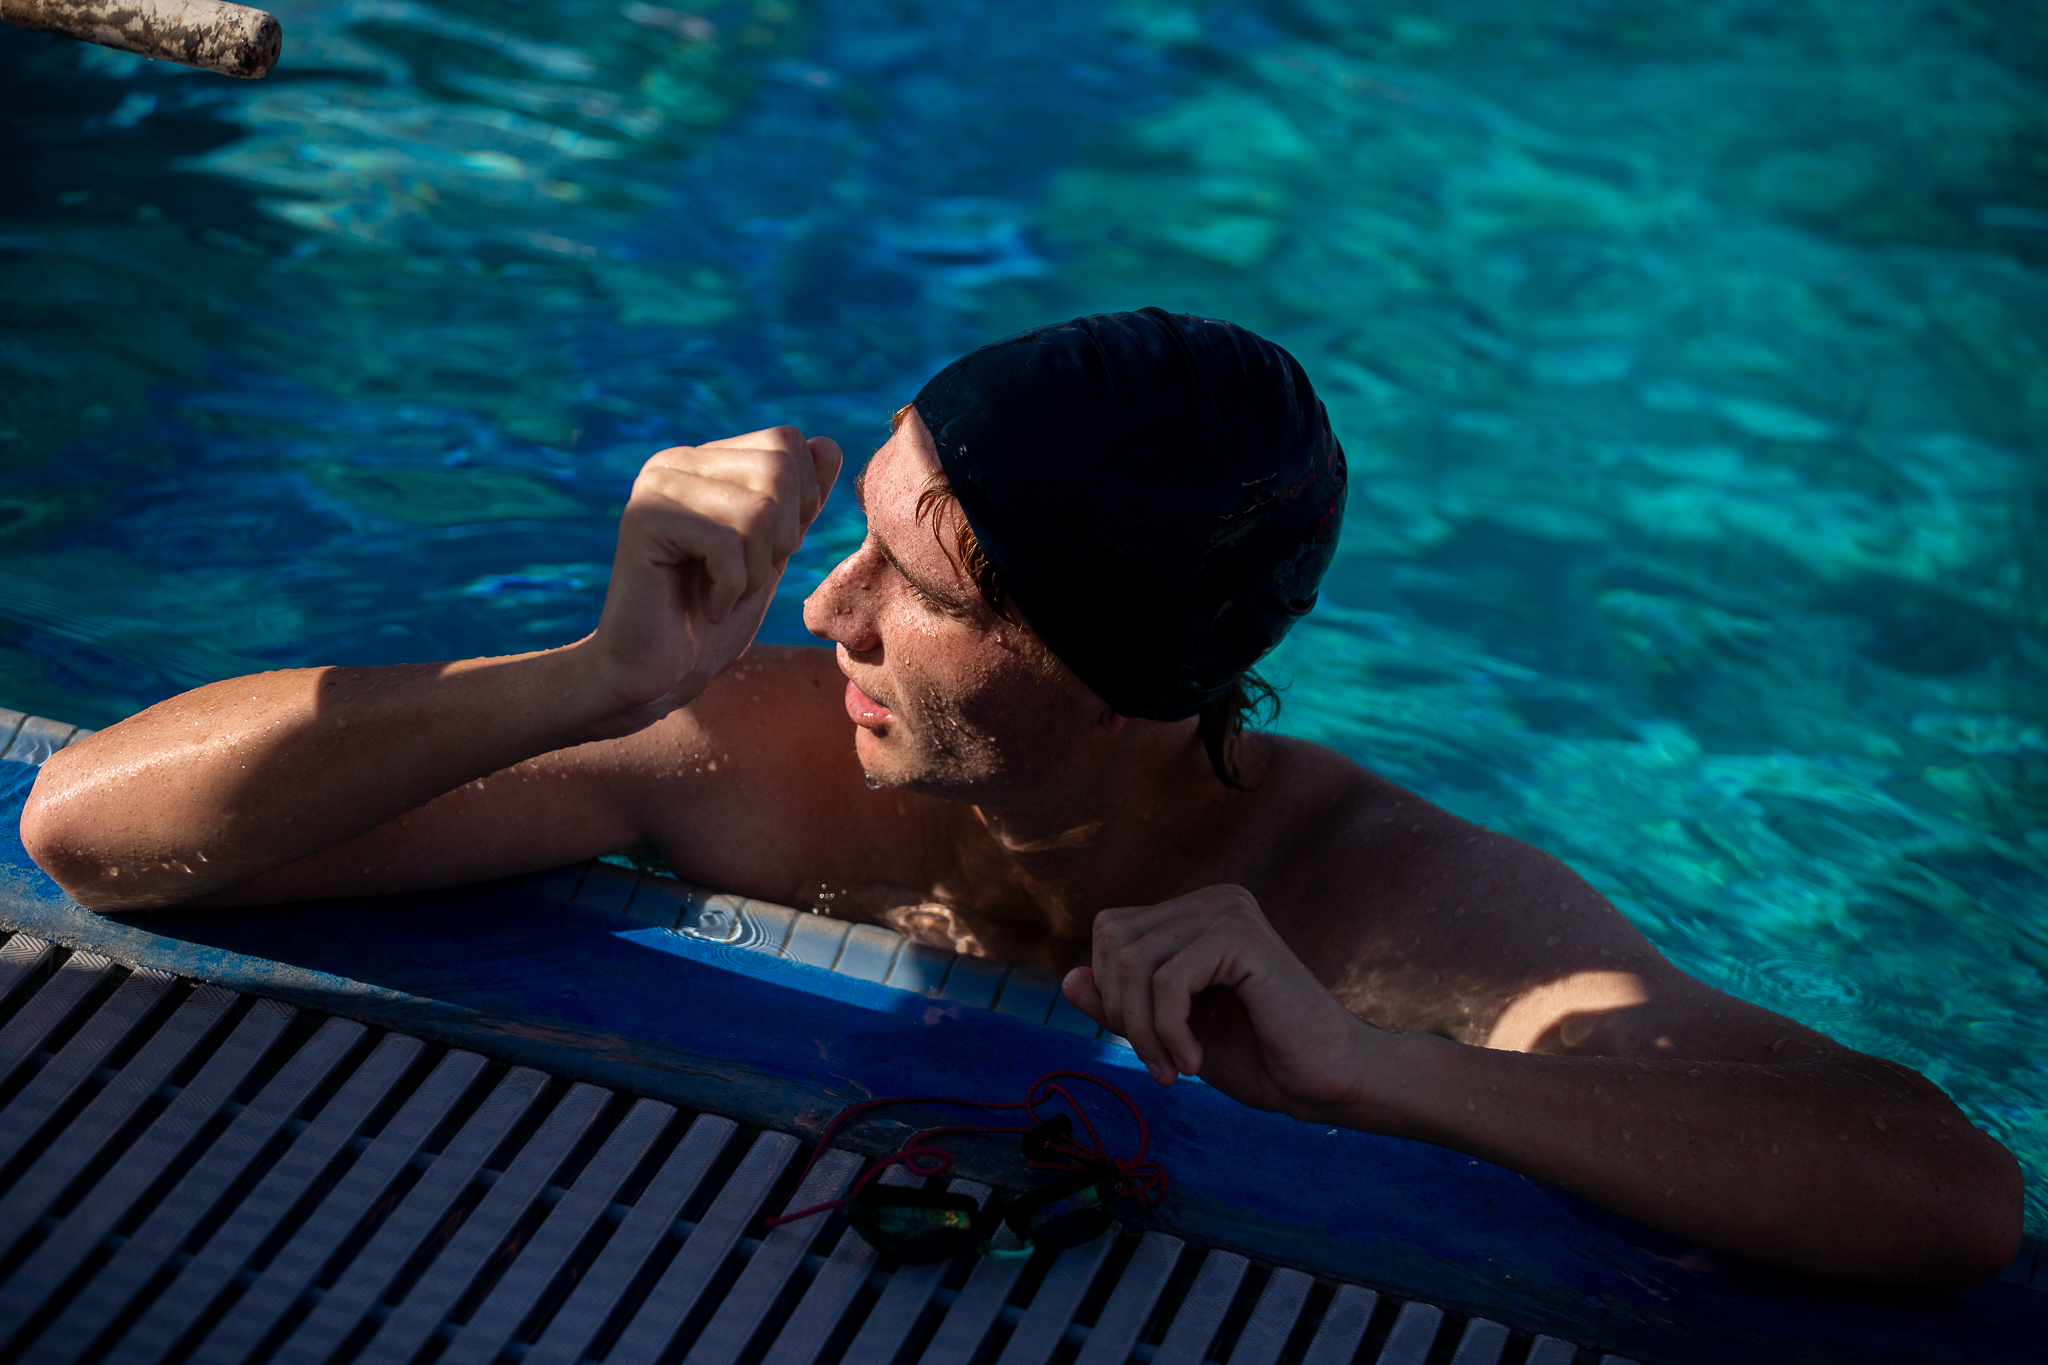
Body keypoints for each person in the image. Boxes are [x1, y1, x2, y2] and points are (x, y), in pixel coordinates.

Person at [19, 309, 2021, 1290]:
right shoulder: (770, 736)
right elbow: (89, 832)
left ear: (1134, 679)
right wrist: (590, 677)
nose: (827, 606)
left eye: (924, 587)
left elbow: (1941, 1189)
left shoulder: (1393, 902)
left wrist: (1378, 1070)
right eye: (861, 529)